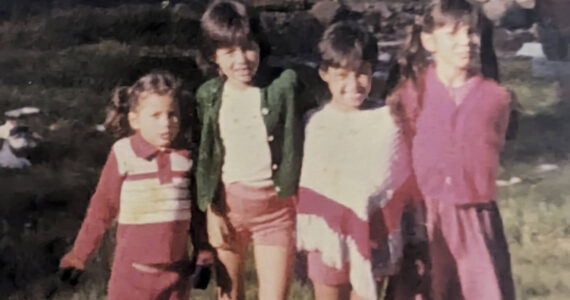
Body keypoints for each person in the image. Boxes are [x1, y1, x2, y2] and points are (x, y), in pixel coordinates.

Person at [386, 1, 516, 299]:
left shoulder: (495, 98)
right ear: (429, 40)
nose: (465, 42)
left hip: (475, 220)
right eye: (453, 33)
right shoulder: (410, 95)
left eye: (471, 32)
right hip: (425, 219)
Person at [60, 71, 208, 299]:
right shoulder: (124, 152)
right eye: (155, 115)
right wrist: (79, 255)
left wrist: (203, 254)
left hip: (176, 275)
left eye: (172, 115)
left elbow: (198, 216)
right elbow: (101, 209)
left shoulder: (186, 156)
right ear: (134, 119)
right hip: (131, 276)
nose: (166, 123)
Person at [295, 21, 416, 300]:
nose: (354, 84)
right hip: (327, 240)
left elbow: (395, 179)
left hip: (373, 235)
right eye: (342, 75)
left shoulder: (387, 121)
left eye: (362, 73)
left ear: (373, 70)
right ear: (325, 74)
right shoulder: (315, 124)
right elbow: (311, 187)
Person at [195, 1, 307, 299]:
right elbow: (205, 156)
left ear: (260, 46)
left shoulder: (285, 85)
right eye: (229, 52)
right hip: (228, 210)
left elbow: (314, 126)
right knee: (229, 295)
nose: (241, 59)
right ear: (212, 55)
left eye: (248, 48)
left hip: (277, 212)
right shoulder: (208, 96)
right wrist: (210, 209)